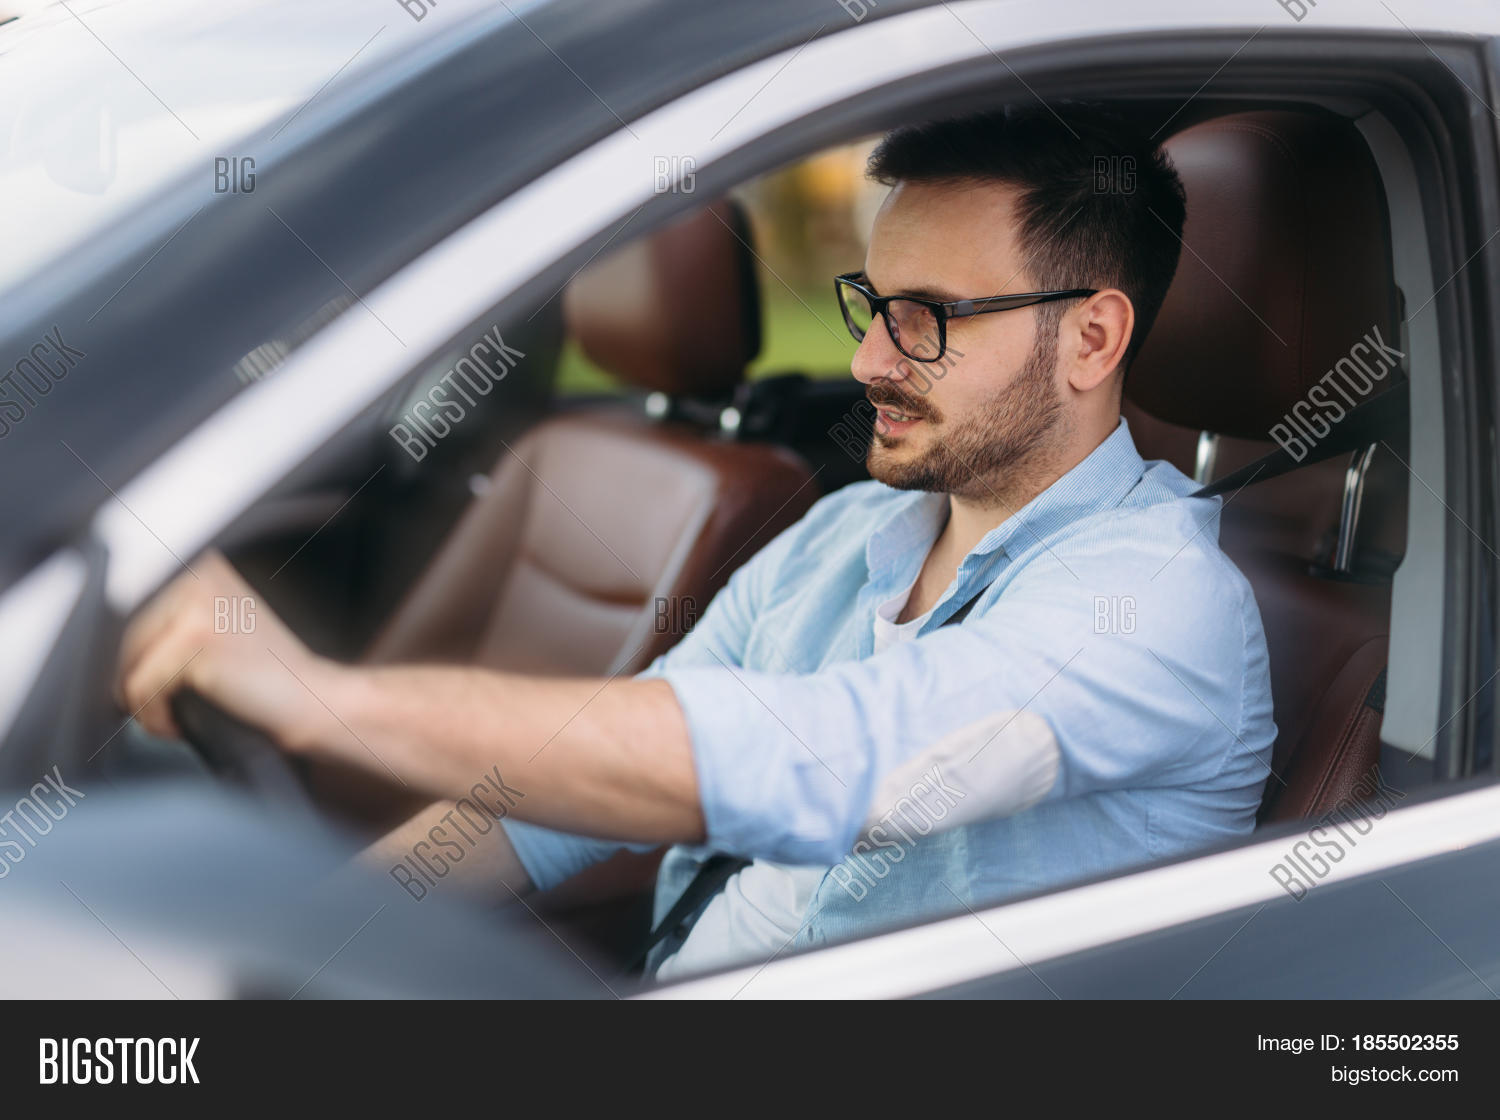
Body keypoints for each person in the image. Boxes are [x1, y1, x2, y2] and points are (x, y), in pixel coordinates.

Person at [116, 104, 1275, 982]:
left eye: (927, 318)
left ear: (1091, 338)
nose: (871, 359)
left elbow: (830, 764)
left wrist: (322, 700)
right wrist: (290, 952)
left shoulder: (1156, 603)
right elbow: (554, 796)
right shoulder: (848, 533)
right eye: (871, 305)